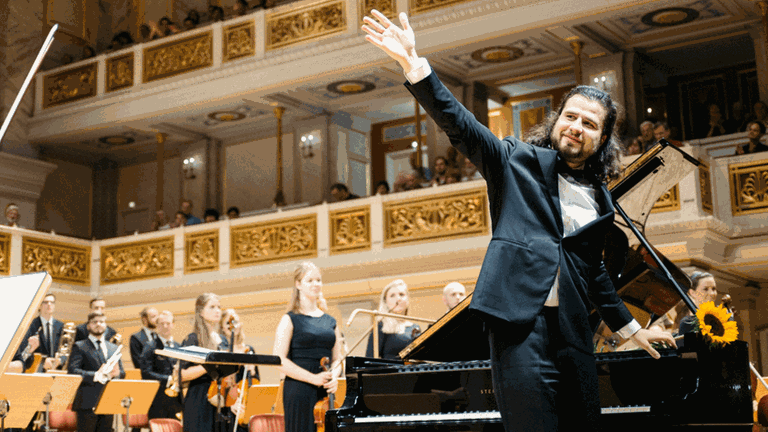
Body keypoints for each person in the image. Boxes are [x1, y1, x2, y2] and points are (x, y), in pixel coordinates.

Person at [361, 10, 675, 431]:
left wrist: (631, 328)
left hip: (574, 331)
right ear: (556, 120)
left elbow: (593, 270)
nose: (577, 127)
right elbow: (463, 128)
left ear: (602, 139)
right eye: (571, 116)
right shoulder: (515, 161)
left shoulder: (601, 198)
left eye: (589, 123)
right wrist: (414, 65)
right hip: (519, 326)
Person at [273, 262, 343, 432]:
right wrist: (313, 378)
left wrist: (334, 376)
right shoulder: (289, 319)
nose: (316, 284)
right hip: (299, 389)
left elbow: (338, 358)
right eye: (310, 280)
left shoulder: (330, 321)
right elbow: (279, 359)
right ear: (298, 284)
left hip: (325, 390)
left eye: (318, 280)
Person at [69, 312, 125, 432]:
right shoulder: (79, 346)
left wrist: (117, 374)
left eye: (101, 322)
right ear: (88, 326)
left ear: (106, 325)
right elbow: (73, 371)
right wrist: (96, 375)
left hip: (108, 400)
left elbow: (122, 373)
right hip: (86, 402)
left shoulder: (113, 348)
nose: (98, 324)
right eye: (94, 322)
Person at [180, 293, 223, 432]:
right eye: (212, 307)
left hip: (218, 398)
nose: (217, 310)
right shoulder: (192, 339)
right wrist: (210, 364)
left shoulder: (221, 340)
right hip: (198, 400)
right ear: (201, 312)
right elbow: (183, 374)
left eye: (219, 307)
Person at [138, 310, 183, 421]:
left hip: (176, 400)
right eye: (162, 323)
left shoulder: (179, 347)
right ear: (157, 325)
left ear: (173, 325)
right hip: (157, 399)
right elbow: (145, 373)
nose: (165, 326)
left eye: (168, 323)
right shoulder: (150, 346)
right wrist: (169, 379)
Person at [219, 309, 260, 430]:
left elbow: (256, 380)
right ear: (222, 327)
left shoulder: (249, 349)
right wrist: (231, 403)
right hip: (227, 405)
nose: (232, 326)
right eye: (227, 323)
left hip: (246, 403)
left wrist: (252, 371)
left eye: (235, 322)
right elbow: (220, 382)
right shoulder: (221, 350)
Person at [365, 279, 420, 359]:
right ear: (385, 302)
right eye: (392, 296)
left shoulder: (415, 327)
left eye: (401, 294)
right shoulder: (380, 326)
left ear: (407, 299)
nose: (398, 299)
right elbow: (370, 358)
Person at [13, 294, 63, 372]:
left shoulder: (60, 325)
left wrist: (61, 359)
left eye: (52, 302)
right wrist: (43, 361)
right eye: (45, 302)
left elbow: (64, 348)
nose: (49, 304)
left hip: (55, 369)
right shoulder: (31, 324)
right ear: (39, 305)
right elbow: (26, 350)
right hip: (36, 368)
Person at [677, 271, 719, 335]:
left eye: (713, 289)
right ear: (692, 292)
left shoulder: (720, 319)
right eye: (706, 289)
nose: (712, 293)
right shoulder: (688, 323)